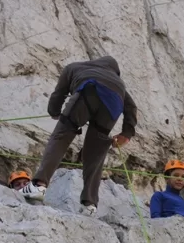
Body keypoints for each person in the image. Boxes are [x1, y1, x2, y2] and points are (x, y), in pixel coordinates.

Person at [20, 56, 138, 216]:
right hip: (113, 103)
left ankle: (38, 186)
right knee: (96, 152)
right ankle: (89, 205)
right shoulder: (118, 82)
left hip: (87, 91)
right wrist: (126, 133)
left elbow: (59, 94)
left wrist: (55, 112)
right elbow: (131, 107)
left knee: (61, 136)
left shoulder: (73, 67)